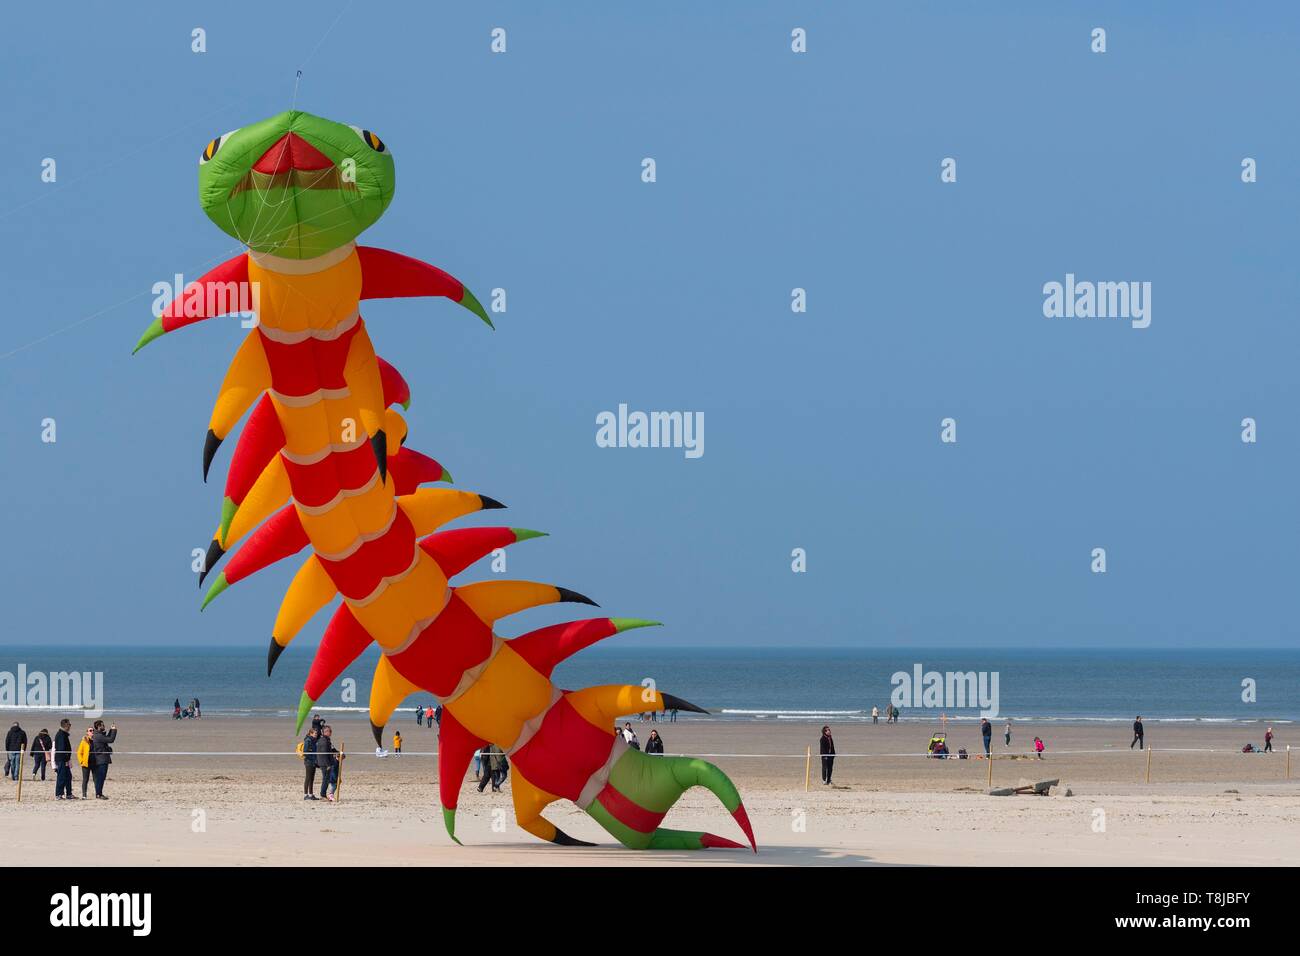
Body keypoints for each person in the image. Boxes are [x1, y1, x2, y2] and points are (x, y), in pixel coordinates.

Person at [90, 720, 117, 799]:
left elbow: (107, 738)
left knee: (101, 777)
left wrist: (111, 730)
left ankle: (99, 793)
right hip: (101, 759)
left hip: (102, 758)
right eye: (102, 725)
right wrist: (114, 730)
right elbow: (110, 740)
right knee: (101, 777)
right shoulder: (98, 736)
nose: (104, 726)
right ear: (98, 727)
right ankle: (98, 794)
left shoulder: (99, 735)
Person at [316, 725, 342, 801]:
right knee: (326, 779)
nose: (330, 732)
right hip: (324, 763)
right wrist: (328, 765)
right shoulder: (323, 740)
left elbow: (332, 749)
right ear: (324, 732)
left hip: (327, 762)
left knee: (326, 779)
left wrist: (340, 753)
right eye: (329, 731)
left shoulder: (327, 740)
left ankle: (323, 794)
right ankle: (322, 795)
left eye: (331, 731)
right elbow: (324, 753)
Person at [54, 719, 75, 800]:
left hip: (65, 759)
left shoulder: (64, 734)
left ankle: (69, 794)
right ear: (65, 725)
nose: (70, 726)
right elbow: (61, 748)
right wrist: (66, 757)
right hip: (61, 759)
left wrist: (67, 758)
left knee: (68, 776)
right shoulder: (61, 734)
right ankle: (58, 794)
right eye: (69, 725)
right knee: (61, 777)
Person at [301, 727, 319, 800]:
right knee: (308, 778)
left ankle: (311, 795)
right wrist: (312, 758)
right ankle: (305, 795)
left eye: (316, 733)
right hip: (308, 762)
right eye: (315, 733)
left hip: (313, 762)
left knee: (312, 779)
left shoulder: (314, 740)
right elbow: (305, 752)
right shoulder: (308, 740)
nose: (316, 734)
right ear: (311, 733)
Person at [76, 729, 93, 799]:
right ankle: (84, 795)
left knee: (96, 779)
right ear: (87, 732)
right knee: (85, 779)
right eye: (90, 730)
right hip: (86, 763)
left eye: (93, 730)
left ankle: (98, 794)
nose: (92, 732)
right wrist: (81, 761)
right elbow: (79, 752)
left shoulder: (96, 740)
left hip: (95, 762)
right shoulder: (84, 741)